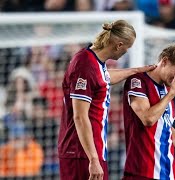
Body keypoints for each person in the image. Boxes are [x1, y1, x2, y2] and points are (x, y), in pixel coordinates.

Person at [58, 20, 156, 180]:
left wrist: (136, 71)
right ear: (118, 45)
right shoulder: (84, 65)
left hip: (90, 151)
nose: (126, 52)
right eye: (127, 48)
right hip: (80, 153)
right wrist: (93, 159)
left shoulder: (94, 61)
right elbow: (80, 116)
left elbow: (103, 78)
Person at [122, 44, 175, 179]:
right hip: (143, 171)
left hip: (168, 172)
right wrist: (172, 94)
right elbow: (148, 119)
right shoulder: (138, 81)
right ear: (165, 61)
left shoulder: (168, 89)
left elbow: (165, 125)